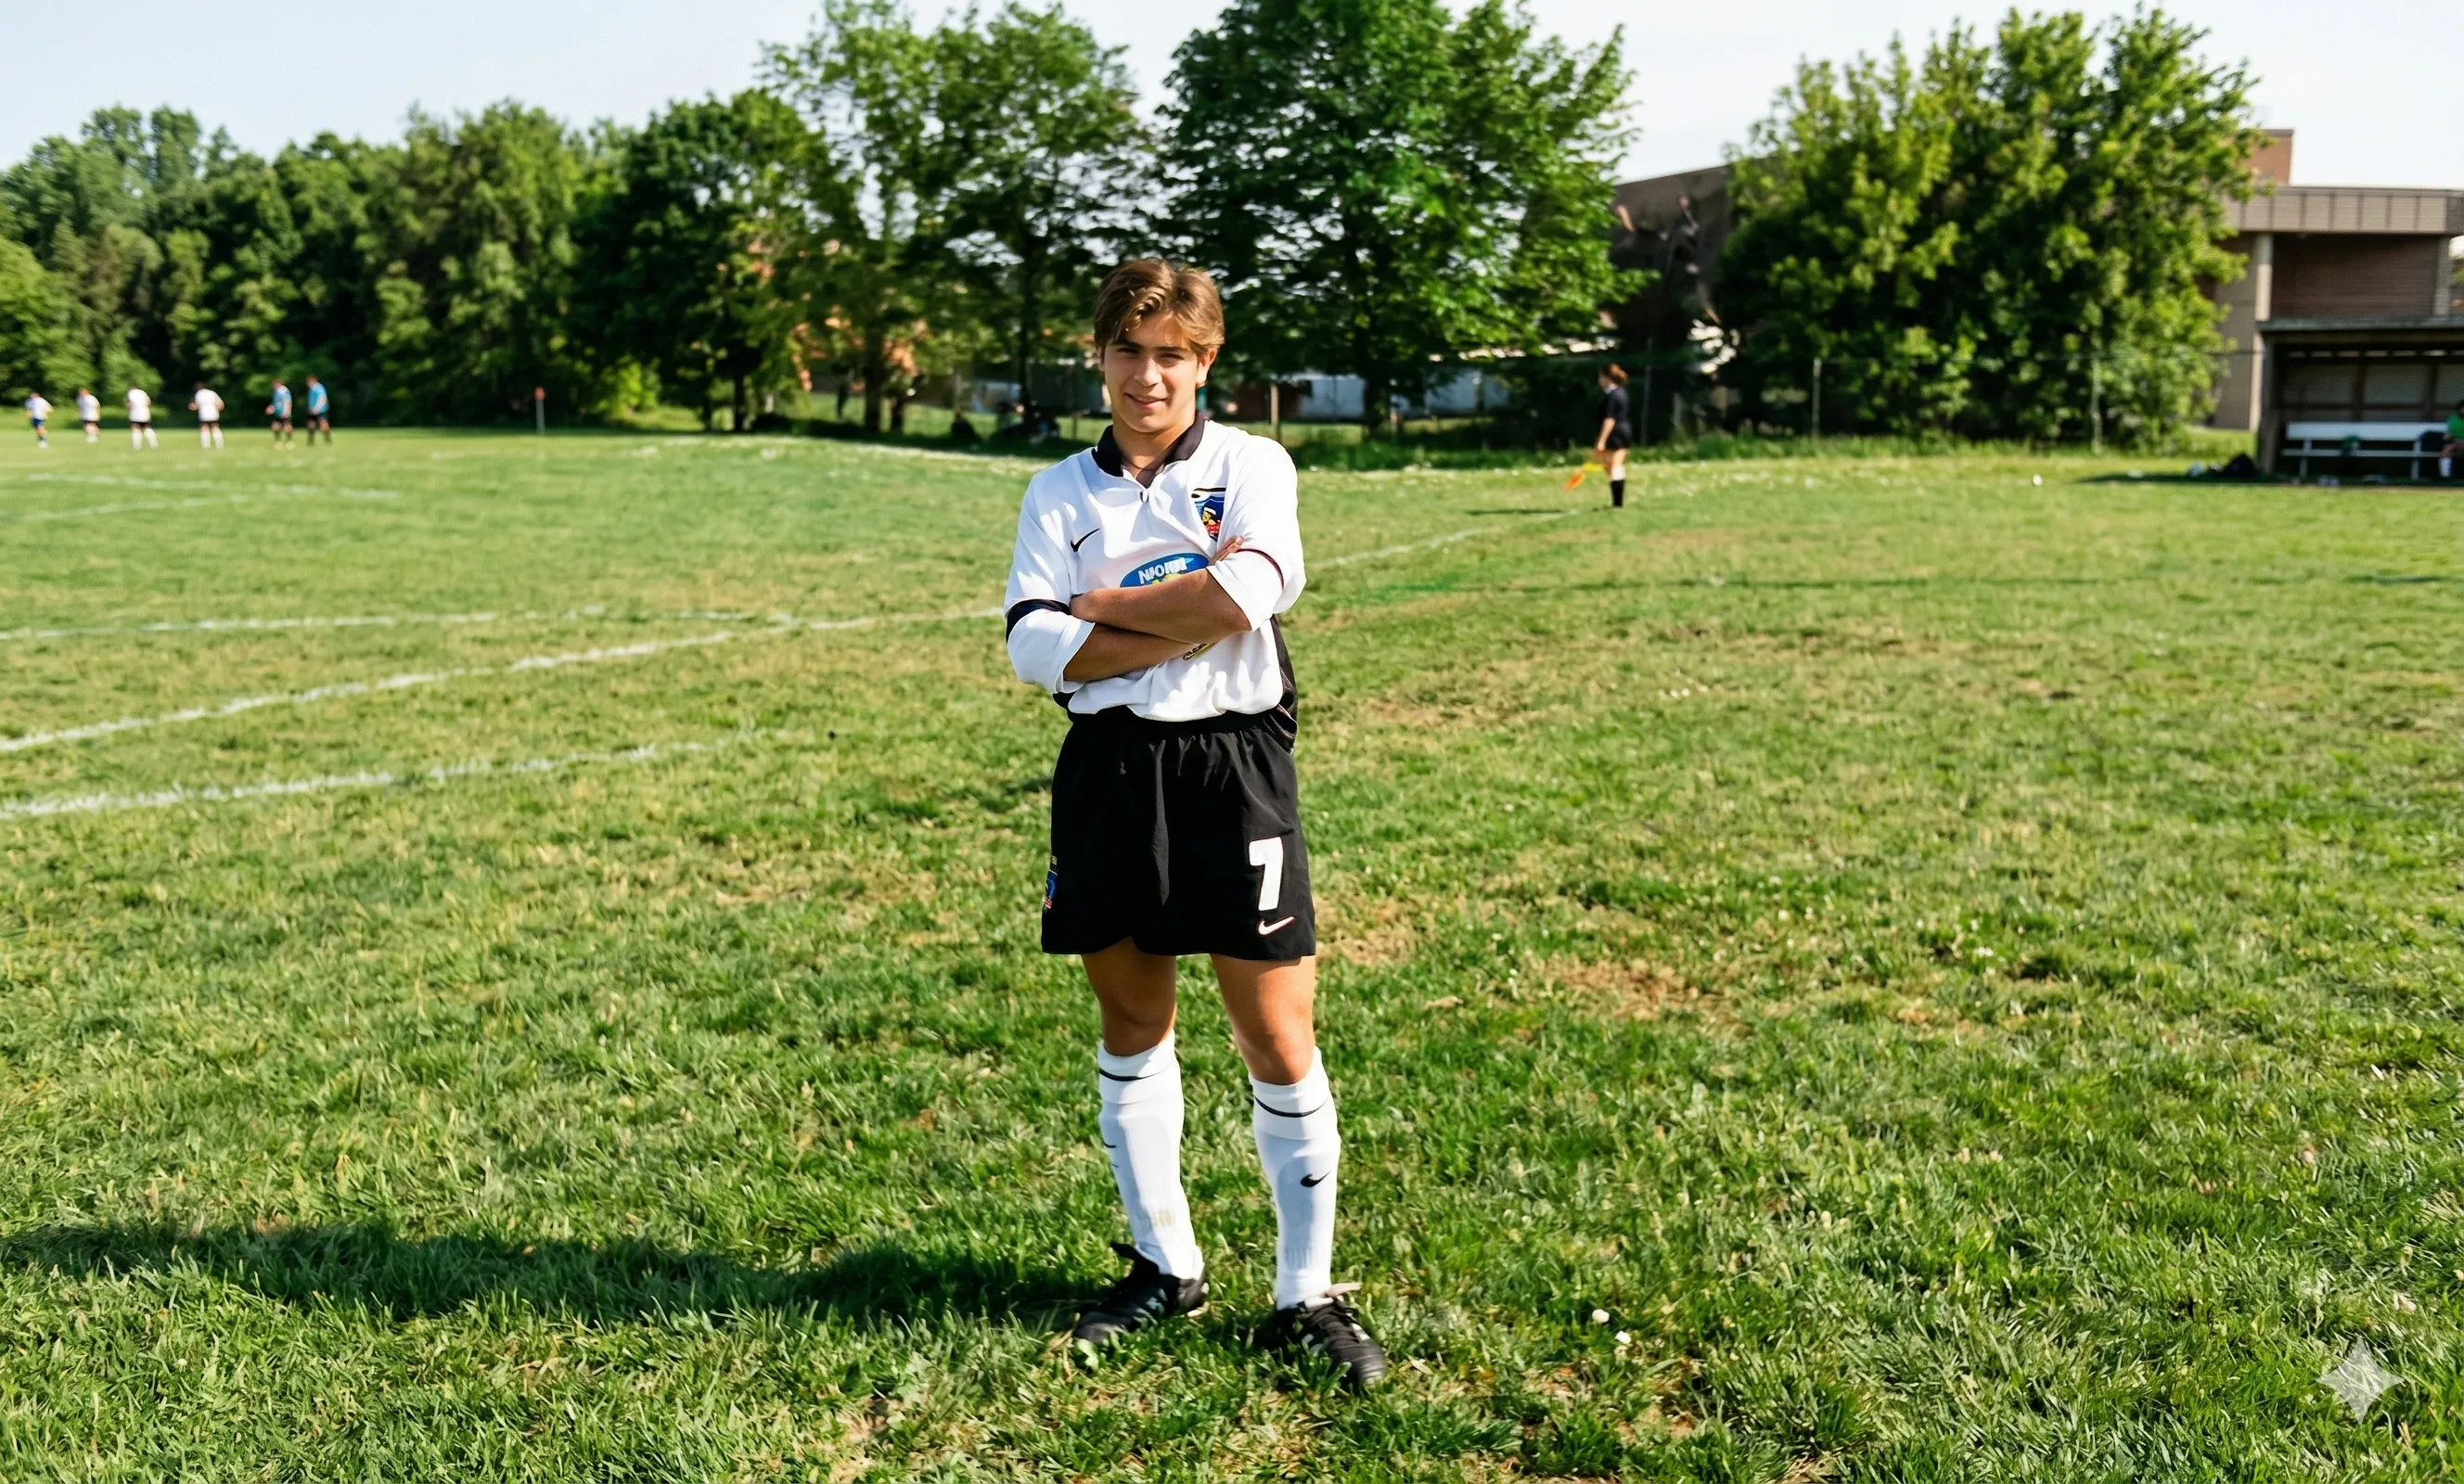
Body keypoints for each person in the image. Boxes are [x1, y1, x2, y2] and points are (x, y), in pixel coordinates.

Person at [1004, 259, 1390, 1390]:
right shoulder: (1057, 493)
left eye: (1171, 353)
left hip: (1234, 766)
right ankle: (1164, 1265)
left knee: (1276, 1032)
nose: (1148, 375)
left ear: (1206, 361)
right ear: (1100, 359)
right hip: (1111, 770)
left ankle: (1305, 1293)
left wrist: (1099, 610)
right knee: (1133, 1024)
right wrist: (1177, 613)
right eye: (1128, 351)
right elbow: (1029, 645)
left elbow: (1248, 589)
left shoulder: (1251, 465)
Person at [1593, 365, 1632, 507]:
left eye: (1600, 377)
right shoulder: (1621, 393)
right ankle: (1617, 499)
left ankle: (1617, 503)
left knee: (1615, 466)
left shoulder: (1613, 395)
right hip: (1623, 431)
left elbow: (1610, 419)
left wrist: (1601, 441)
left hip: (1615, 432)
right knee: (1609, 465)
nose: (1599, 380)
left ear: (1606, 377)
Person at [190, 383, 225, 449]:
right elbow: (220, 404)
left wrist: (192, 407)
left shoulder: (199, 394)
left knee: (204, 428)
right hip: (214, 413)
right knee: (215, 427)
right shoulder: (212, 393)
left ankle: (206, 446)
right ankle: (219, 444)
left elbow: (197, 405)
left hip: (204, 413)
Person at [126, 385, 157, 449]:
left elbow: (130, 404)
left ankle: (137, 446)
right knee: (147, 428)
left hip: (135, 414)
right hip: (145, 413)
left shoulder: (131, 393)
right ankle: (153, 444)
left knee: (135, 428)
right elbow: (148, 402)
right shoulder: (143, 392)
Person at [303, 375, 332, 443]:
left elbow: (322, 398)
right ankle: (310, 440)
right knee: (311, 424)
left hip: (321, 410)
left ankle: (327, 438)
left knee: (323, 425)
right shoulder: (311, 389)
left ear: (314, 380)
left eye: (309, 382)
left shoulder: (319, 388)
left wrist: (317, 408)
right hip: (312, 411)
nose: (308, 383)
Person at [266, 378, 293, 446]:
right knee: (275, 427)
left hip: (284, 412)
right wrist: (272, 408)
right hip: (277, 413)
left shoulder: (284, 391)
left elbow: (288, 401)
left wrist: (286, 411)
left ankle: (289, 441)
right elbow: (276, 403)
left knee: (287, 427)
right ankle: (278, 441)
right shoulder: (276, 392)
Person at [2443, 397, 2463, 480]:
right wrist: (2448, 436)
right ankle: (2445, 476)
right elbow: (2449, 432)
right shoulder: (2453, 418)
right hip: (2455, 442)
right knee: (2446, 451)